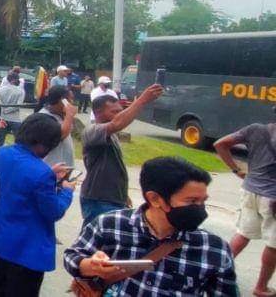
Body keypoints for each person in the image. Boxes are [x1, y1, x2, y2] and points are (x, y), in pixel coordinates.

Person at [64, 156, 237, 296]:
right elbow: (72, 256)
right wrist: (91, 266)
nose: (199, 208)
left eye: (203, 201)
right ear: (155, 199)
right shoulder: (110, 224)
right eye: (191, 201)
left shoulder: (215, 248)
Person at [0, 113, 77, 297]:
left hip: (1, 236)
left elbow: (19, 178)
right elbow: (53, 212)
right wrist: (67, 191)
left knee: (1, 285)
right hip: (25, 249)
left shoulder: (3, 153)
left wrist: (49, 173)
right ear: (43, 144)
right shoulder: (41, 173)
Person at [79, 84, 164, 226]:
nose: (119, 114)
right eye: (114, 111)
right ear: (98, 112)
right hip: (99, 199)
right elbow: (117, 123)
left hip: (113, 198)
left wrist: (123, 195)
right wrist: (142, 100)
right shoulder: (93, 131)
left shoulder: (111, 134)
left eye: (120, 111)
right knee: (95, 236)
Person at [213, 107, 276, 297]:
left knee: (243, 234)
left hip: (249, 189)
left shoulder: (255, 129)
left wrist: (236, 170)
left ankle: (214, 274)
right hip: (273, 196)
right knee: (274, 244)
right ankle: (261, 287)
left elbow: (220, 144)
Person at [38, 85, 77, 168]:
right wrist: (69, 114)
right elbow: (61, 135)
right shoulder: (44, 117)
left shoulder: (61, 115)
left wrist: (67, 115)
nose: (72, 102)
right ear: (62, 100)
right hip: (51, 167)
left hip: (64, 166)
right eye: (70, 99)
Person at [0, 76, 26, 147]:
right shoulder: (21, 91)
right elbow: (18, 105)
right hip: (15, 119)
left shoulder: (0, 90)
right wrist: (8, 110)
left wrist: (4, 110)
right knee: (19, 141)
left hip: (2, 119)